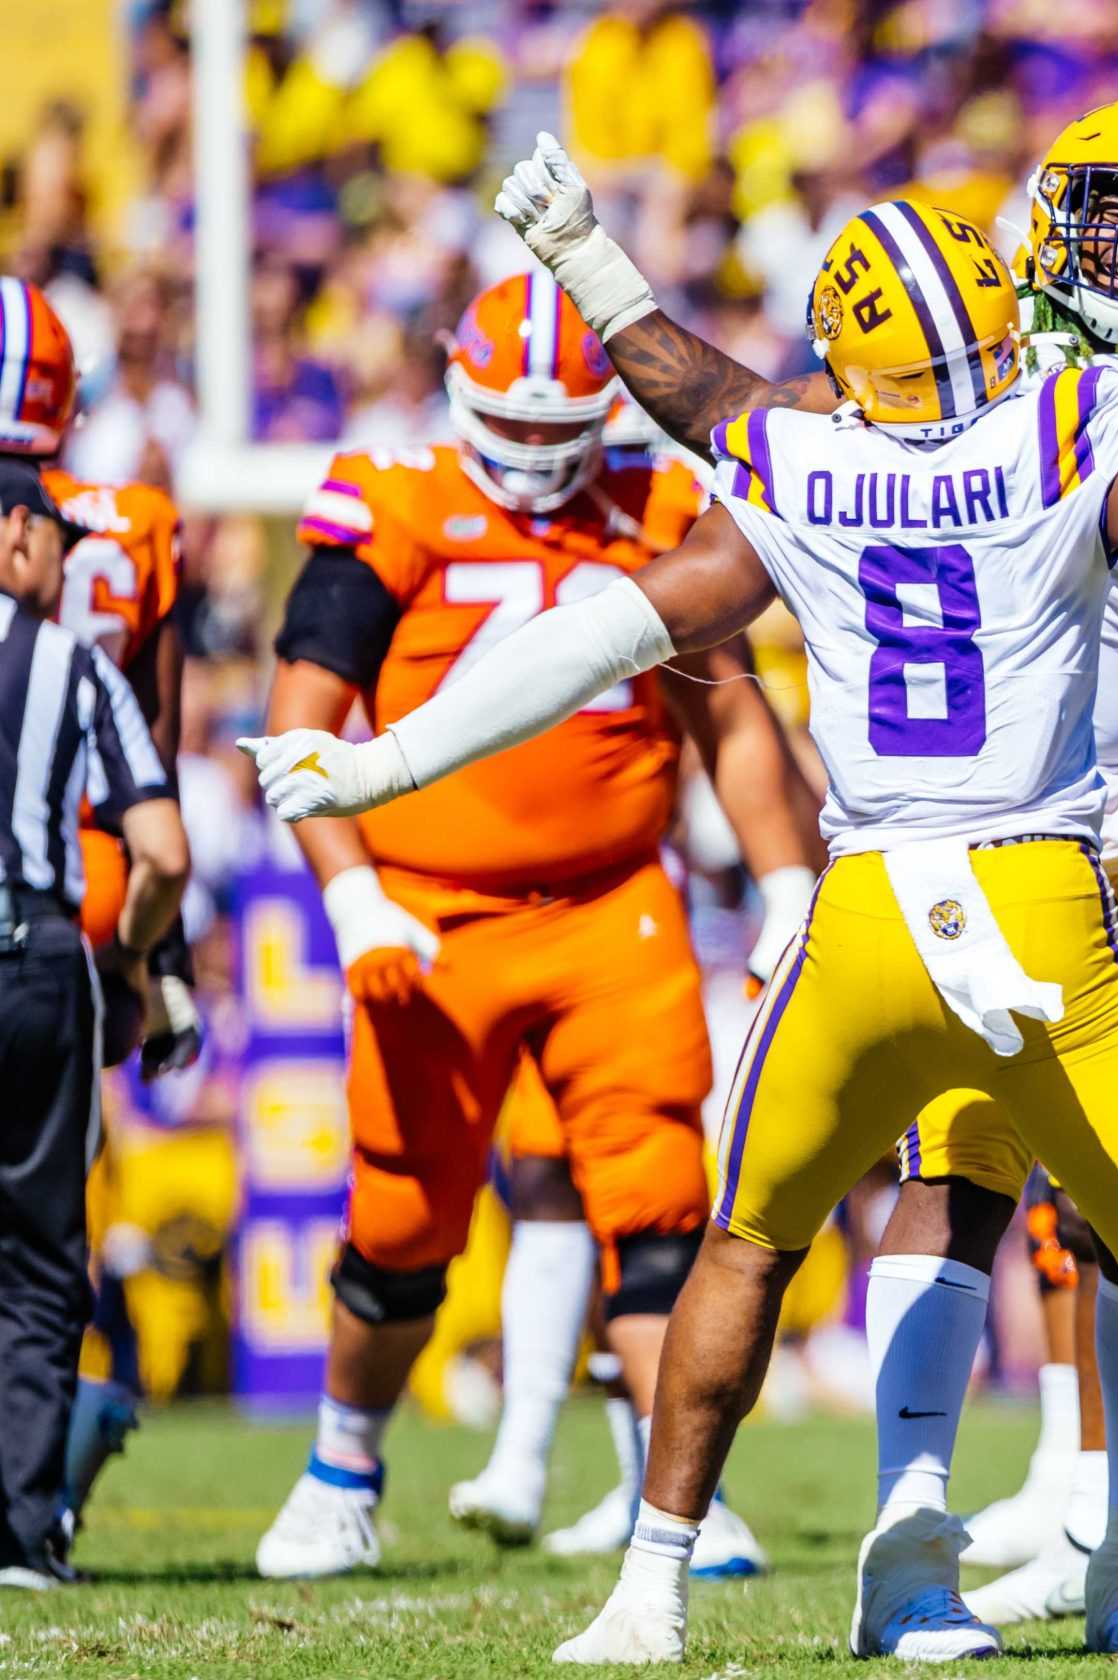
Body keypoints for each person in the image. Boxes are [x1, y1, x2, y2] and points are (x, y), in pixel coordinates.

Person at [243, 198, 1118, 1665]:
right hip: (1043, 893)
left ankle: (649, 1584)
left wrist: (383, 765)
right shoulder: (1067, 424)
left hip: (870, 910)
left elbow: (620, 588)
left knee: (748, 1242)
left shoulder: (801, 456)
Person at [502, 104, 1118, 1655]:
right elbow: (727, 407)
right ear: (1048, 218)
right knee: (948, 1187)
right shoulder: (943, 354)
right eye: (1111, 212)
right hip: (968, 848)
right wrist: (595, 269)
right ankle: (908, 1535)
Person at [248, 273, 821, 1582]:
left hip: (613, 902)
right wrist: (350, 890)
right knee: (399, 1222)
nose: (534, 455)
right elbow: (299, 718)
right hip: (433, 914)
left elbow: (730, 716)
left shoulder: (650, 507)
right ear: (459, 391)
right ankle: (343, 1467)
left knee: (666, 1205)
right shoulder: (394, 500)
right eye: (511, 423)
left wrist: (787, 880)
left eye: (561, 428)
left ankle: (675, 1491)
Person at [0, 276, 200, 1546]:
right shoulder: (127, 528)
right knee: (44, 1231)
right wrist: (155, 955)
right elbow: (161, 755)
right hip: (84, 913)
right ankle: (41, 1485)